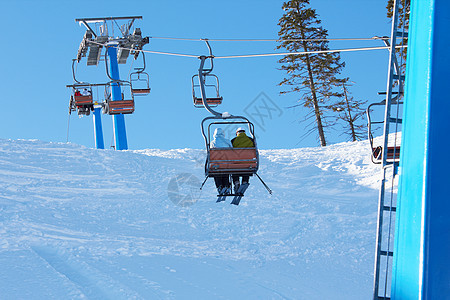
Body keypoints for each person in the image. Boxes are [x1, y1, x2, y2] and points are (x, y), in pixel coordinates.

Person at [231, 127, 255, 193]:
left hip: (236, 164)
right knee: (247, 168)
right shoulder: (250, 140)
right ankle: (245, 181)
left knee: (234, 168)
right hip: (248, 163)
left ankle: (236, 182)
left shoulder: (233, 140)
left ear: (237, 133)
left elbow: (229, 152)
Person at [210, 128, 232, 194]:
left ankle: (219, 186)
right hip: (226, 163)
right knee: (225, 171)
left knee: (216, 171)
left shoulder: (213, 142)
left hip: (217, 164)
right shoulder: (227, 141)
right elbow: (232, 151)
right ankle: (226, 185)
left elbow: (210, 153)